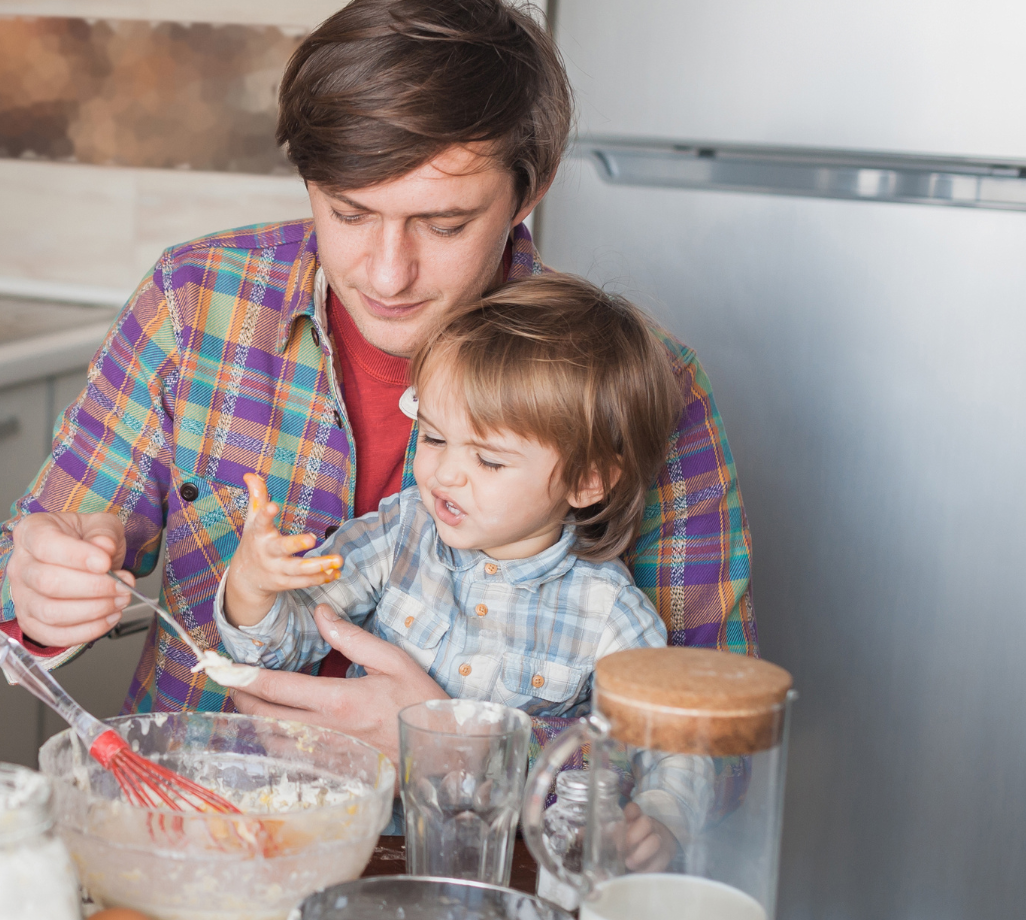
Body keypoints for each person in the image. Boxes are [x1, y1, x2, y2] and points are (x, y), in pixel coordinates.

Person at [0, 0, 756, 762]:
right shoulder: (195, 302)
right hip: (199, 831)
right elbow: (8, 570)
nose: (387, 275)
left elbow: (709, 743)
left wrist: (466, 750)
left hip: (474, 871)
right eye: (349, 214)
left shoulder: (643, 386)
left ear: (530, 192)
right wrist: (41, 587)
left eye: (444, 224)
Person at [216, 274, 704, 870]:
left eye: (489, 459)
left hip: (509, 874)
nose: (445, 474)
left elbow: (672, 742)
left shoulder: (611, 615)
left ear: (587, 481)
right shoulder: (400, 533)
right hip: (361, 854)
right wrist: (252, 587)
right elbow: (281, 647)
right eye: (434, 437)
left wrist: (665, 815)